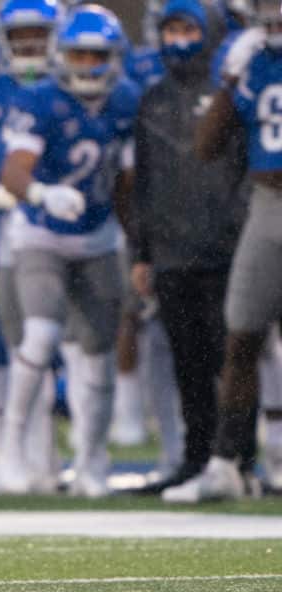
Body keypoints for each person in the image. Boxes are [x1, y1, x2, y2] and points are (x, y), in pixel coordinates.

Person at [0, 4, 139, 498]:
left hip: (98, 236)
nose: (86, 65)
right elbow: (13, 170)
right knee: (39, 333)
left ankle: (92, 460)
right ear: (62, 55)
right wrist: (40, 193)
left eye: (96, 56)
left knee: (97, 352)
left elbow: (127, 181)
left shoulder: (125, 101)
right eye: (78, 54)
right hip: (40, 232)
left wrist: (135, 242)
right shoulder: (40, 99)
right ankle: (10, 448)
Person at [128, 0, 247, 496]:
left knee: (235, 360)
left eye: (187, 28)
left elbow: (244, 169)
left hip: (224, 247)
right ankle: (196, 459)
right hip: (173, 252)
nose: (178, 37)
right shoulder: (152, 97)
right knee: (188, 365)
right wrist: (142, 252)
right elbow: (144, 179)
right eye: (172, 28)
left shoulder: (229, 94)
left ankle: (240, 459)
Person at [165, 0, 282, 501]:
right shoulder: (252, 60)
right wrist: (231, 79)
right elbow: (206, 145)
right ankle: (226, 463)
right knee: (242, 336)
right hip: (266, 204)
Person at [0, 0, 60, 494]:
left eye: (39, 34)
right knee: (15, 340)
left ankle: (48, 454)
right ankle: (16, 452)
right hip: (6, 225)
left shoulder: (68, 90)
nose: (30, 45)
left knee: (60, 340)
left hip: (67, 224)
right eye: (21, 36)